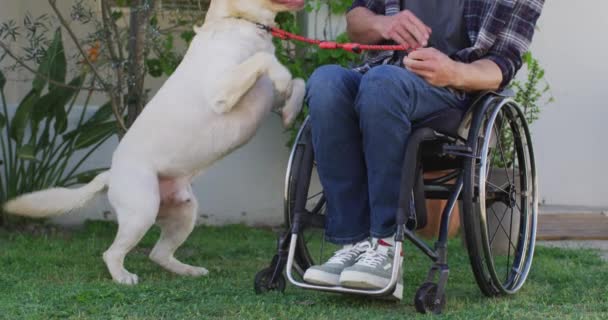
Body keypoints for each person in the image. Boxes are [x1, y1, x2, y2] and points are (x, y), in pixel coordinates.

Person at [302, 0, 544, 300]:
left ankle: (386, 244)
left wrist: (454, 71)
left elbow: (502, 66)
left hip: (451, 93)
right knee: (325, 83)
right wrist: (382, 24)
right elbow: (356, 22)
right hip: (379, 75)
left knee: (383, 85)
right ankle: (353, 243)